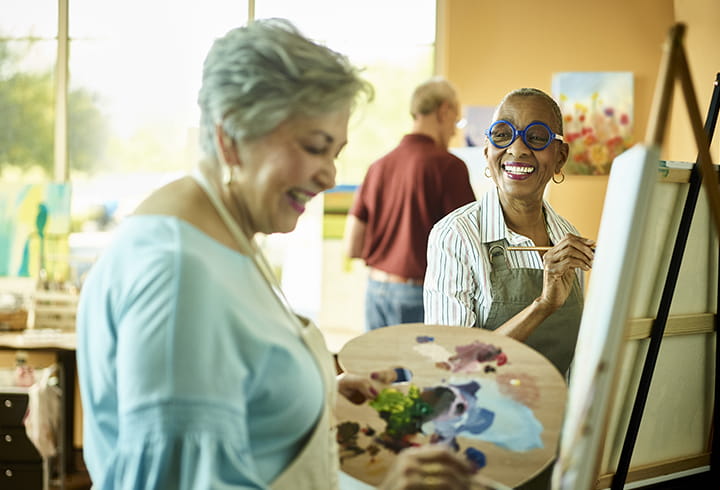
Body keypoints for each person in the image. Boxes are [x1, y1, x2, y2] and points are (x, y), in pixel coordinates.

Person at [76, 19, 476, 490]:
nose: (329, 177)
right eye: (314, 148)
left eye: (337, 153)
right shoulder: (177, 275)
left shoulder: (224, 235)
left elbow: (237, 397)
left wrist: (311, 394)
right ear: (231, 138)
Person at [423, 87, 596, 377]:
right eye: (503, 134)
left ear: (560, 157)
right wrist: (542, 306)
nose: (517, 149)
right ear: (488, 150)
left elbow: (575, 358)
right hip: (481, 416)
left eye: (537, 137)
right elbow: (451, 366)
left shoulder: (568, 236)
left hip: (557, 416)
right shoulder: (456, 235)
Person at [344, 76, 476, 331]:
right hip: (418, 294)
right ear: (444, 111)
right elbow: (468, 244)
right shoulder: (449, 167)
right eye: (456, 120)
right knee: (422, 372)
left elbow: (352, 246)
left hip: (375, 290)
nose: (455, 131)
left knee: (378, 372)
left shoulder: (378, 167)